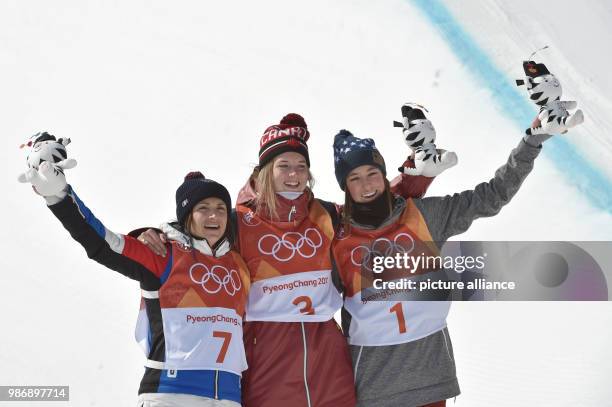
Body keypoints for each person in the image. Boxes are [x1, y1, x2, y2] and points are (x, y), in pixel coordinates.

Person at [139, 113, 434, 407]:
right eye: (284, 166)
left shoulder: (327, 215)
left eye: (301, 166)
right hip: (266, 361)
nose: (293, 174)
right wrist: (150, 235)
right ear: (266, 171)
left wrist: (417, 175)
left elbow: (375, 205)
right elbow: (193, 233)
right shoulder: (238, 221)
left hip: (328, 360)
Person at [329, 117, 568, 407]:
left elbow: (492, 196)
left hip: (432, 380)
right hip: (374, 389)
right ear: (345, 186)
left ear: (383, 174)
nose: (367, 185)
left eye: (372, 173)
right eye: (355, 178)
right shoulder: (337, 239)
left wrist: (531, 141)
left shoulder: (424, 217)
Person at [22, 162, 250, 407]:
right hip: (170, 395)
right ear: (187, 216)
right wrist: (60, 197)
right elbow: (103, 243)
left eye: (220, 208)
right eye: (202, 208)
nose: (213, 215)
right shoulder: (163, 254)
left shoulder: (238, 265)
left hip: (227, 397)